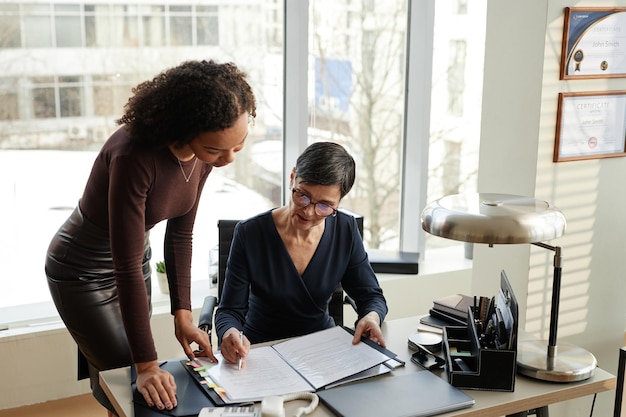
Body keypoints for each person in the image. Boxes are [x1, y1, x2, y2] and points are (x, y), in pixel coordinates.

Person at [44, 59, 256, 416]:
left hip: (133, 255)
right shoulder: (133, 155)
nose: (228, 159)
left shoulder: (204, 153)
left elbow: (180, 234)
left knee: (131, 383)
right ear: (185, 127)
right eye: (217, 151)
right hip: (82, 271)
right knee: (131, 373)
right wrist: (146, 364)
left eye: (238, 145)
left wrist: (182, 315)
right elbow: (122, 265)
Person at [215, 141, 388, 367]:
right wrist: (229, 333)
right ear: (292, 177)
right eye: (302, 195)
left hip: (322, 350)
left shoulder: (345, 229)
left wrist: (370, 317)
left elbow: (371, 296)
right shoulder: (250, 233)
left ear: (338, 203)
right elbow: (229, 311)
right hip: (260, 352)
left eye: (324, 206)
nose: (308, 211)